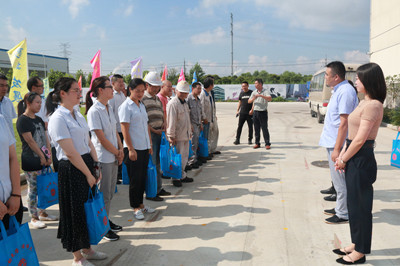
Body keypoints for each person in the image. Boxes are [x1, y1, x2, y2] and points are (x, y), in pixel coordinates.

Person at [47, 77, 107, 266]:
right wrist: (88, 174)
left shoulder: (78, 114)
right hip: (72, 169)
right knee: (74, 213)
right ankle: (77, 257)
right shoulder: (57, 118)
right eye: (75, 90)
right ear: (62, 94)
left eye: (79, 89)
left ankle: (88, 249)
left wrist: (96, 166)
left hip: (87, 163)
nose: (79, 93)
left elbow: (88, 142)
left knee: (87, 208)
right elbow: (70, 152)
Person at [333, 63, 386, 264]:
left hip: (361, 158)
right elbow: (351, 136)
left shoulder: (373, 105)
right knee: (354, 205)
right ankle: (356, 242)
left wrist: (343, 158)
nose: (355, 81)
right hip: (353, 154)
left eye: (358, 78)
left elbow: (360, 139)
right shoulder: (364, 102)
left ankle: (361, 251)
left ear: (369, 81)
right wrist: (343, 156)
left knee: (361, 207)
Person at [318, 61, 358, 225]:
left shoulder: (346, 92)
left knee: (340, 181)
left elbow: (344, 123)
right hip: (333, 141)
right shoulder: (338, 90)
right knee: (337, 181)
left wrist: (337, 150)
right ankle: (341, 207)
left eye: (327, 75)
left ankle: (343, 213)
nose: (325, 78)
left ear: (335, 76)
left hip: (339, 144)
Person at [86, 76, 123, 241]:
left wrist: (121, 149)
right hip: (104, 158)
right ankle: (102, 226)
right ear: (100, 90)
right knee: (103, 193)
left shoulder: (108, 107)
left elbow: (115, 131)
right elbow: (100, 138)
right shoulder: (94, 111)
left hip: (114, 155)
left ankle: (105, 219)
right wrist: (116, 152)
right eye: (109, 87)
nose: (112, 90)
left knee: (110, 193)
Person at [16, 92, 55, 229]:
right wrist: (42, 156)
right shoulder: (23, 120)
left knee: (43, 188)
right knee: (33, 190)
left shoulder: (38, 119)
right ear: (28, 103)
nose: (40, 105)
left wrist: (48, 155)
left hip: (43, 160)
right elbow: (30, 141)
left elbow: (45, 138)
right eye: (37, 102)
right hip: (31, 161)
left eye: (40, 102)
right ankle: (34, 217)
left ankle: (43, 212)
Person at [118, 78, 155, 220]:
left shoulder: (141, 105)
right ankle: (135, 207)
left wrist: (150, 144)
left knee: (142, 178)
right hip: (133, 148)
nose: (140, 93)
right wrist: (131, 149)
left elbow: (146, 126)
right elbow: (124, 129)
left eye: (142, 91)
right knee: (135, 179)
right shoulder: (126, 107)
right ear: (130, 90)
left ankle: (141, 204)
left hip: (144, 147)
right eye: (137, 91)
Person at [142, 72, 171, 201]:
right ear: (147, 85)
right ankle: (151, 191)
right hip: (151, 135)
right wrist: (153, 130)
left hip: (160, 134)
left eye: (157, 86)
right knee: (152, 163)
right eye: (154, 86)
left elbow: (161, 114)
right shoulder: (142, 99)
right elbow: (144, 121)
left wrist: (164, 124)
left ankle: (158, 187)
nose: (156, 89)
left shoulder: (157, 99)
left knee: (158, 162)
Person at [166, 81, 194, 187]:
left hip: (186, 135)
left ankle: (182, 175)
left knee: (184, 157)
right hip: (177, 136)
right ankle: (176, 177)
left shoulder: (185, 103)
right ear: (176, 91)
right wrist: (171, 136)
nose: (183, 94)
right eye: (181, 92)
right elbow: (171, 121)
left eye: (185, 92)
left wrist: (190, 129)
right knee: (177, 158)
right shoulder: (173, 104)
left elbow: (187, 118)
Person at [0, 114, 23, 230]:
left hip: (11, 201)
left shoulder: (1, 119)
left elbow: (12, 157)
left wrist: (16, 194)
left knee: (14, 246)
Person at [108, 74, 126, 184]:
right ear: (113, 83)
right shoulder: (112, 97)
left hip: (123, 128)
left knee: (122, 151)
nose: (122, 84)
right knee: (116, 151)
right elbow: (111, 114)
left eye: (122, 82)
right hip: (116, 129)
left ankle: (120, 172)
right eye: (119, 82)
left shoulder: (122, 95)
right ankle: (117, 174)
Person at [248, 78, 272, 149]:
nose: (255, 85)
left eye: (256, 83)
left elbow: (270, 99)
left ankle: (267, 143)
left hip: (263, 112)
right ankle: (257, 143)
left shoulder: (265, 91)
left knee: (264, 128)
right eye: (255, 83)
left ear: (260, 84)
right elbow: (249, 101)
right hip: (256, 112)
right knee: (256, 128)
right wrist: (253, 99)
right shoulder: (254, 92)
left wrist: (261, 96)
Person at [187, 82, 203, 169]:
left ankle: (195, 159)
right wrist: (190, 125)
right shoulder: (189, 99)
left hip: (197, 124)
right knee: (192, 143)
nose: (200, 90)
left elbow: (199, 112)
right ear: (193, 88)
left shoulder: (198, 99)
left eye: (200, 89)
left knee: (196, 143)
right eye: (198, 88)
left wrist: (200, 123)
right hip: (192, 124)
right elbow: (187, 113)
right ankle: (191, 162)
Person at [199, 77, 214, 160]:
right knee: (203, 138)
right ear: (210, 85)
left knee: (207, 137)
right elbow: (201, 107)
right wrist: (204, 118)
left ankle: (206, 152)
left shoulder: (209, 93)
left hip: (208, 119)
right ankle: (203, 155)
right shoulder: (202, 94)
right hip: (204, 120)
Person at [0, 74, 17, 139]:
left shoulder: (9, 102)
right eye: (1, 85)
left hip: (8, 141)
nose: (4, 88)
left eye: (6, 86)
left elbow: (10, 124)